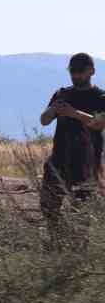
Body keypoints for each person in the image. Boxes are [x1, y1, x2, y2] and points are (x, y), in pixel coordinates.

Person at [39, 52, 105, 218]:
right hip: (59, 161)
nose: (75, 75)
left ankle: (76, 243)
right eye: (73, 71)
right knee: (49, 209)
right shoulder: (62, 94)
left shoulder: (100, 97)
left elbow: (99, 124)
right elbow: (44, 120)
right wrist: (53, 109)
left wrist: (74, 113)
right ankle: (56, 242)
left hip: (86, 165)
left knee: (81, 215)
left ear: (91, 71)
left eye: (80, 71)